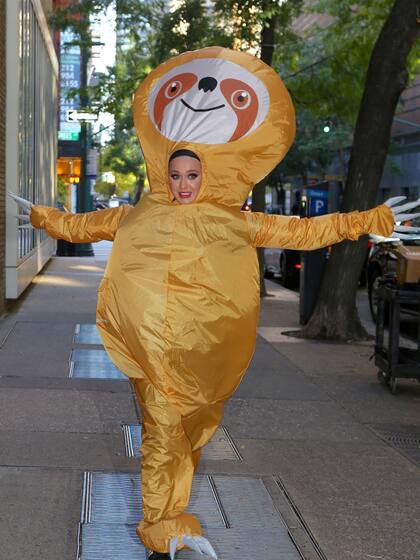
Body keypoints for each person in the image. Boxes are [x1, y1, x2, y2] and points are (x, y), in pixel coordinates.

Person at [9, 46, 420, 560]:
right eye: (176, 175)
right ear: (166, 172)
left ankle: (172, 517)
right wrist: (43, 218)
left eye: (191, 175)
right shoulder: (137, 214)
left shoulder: (234, 220)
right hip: (148, 350)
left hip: (202, 355)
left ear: (205, 175)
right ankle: (162, 527)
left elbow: (305, 231)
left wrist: (370, 220)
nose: (182, 184)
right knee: (161, 431)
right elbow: (81, 225)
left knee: (189, 434)